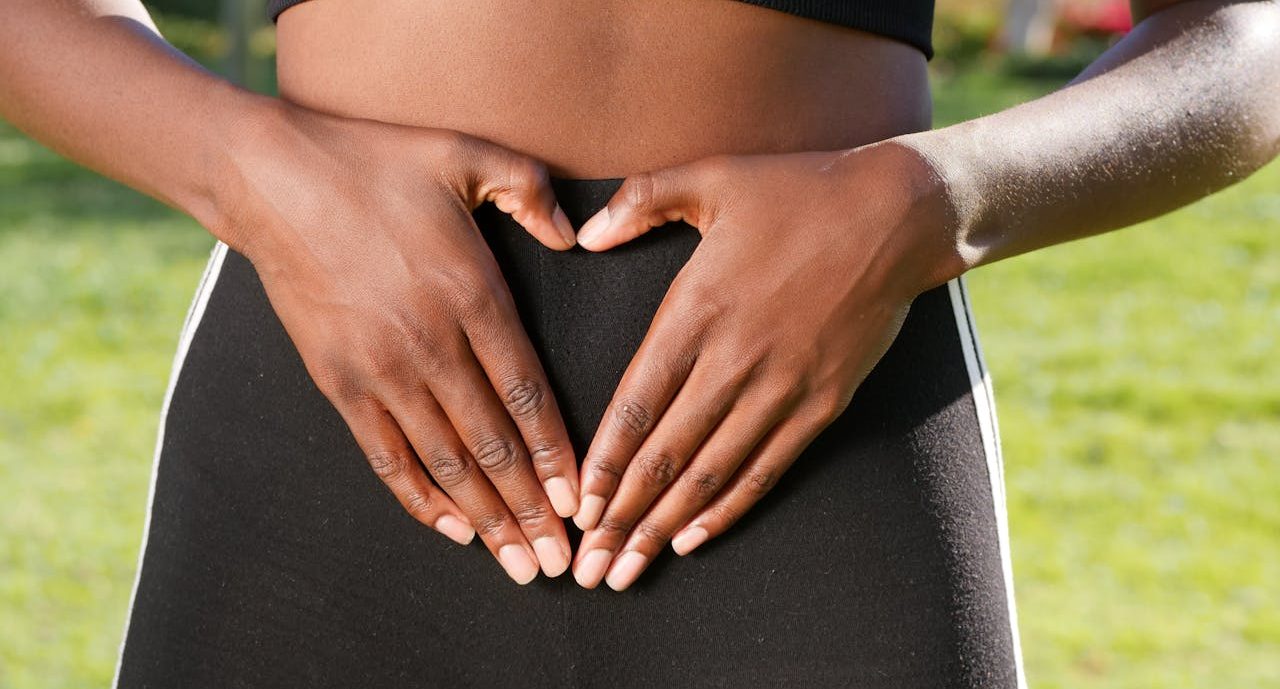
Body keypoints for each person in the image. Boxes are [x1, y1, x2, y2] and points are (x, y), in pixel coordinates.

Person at [2, 0, 1276, 686]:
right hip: (338, 415)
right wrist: (256, 175)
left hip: (823, 431)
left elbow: (1244, 36)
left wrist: (924, 202)